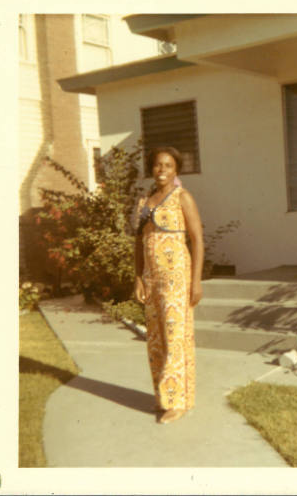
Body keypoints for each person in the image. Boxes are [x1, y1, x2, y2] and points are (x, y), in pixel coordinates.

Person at [134, 146, 204, 424]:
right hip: (152, 278)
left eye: (168, 166)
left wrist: (196, 282)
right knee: (155, 338)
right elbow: (138, 242)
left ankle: (178, 401)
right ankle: (163, 396)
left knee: (176, 337)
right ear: (152, 169)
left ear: (176, 171)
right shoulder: (145, 201)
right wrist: (137, 276)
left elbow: (197, 240)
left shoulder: (182, 197)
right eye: (157, 165)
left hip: (178, 277)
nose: (162, 170)